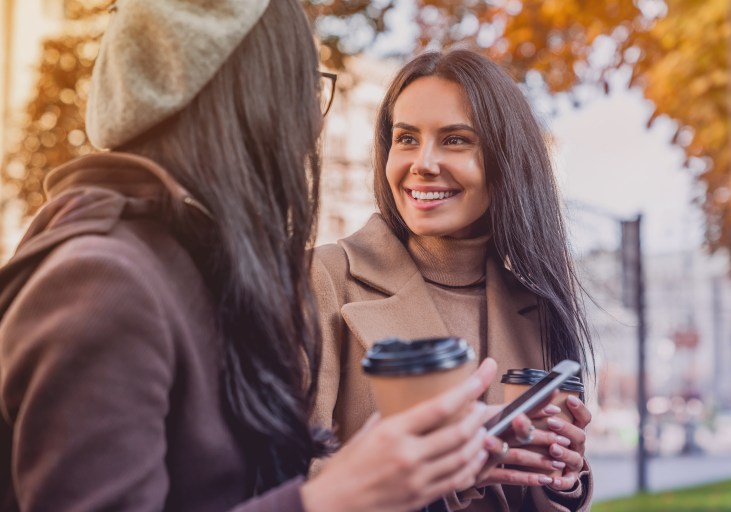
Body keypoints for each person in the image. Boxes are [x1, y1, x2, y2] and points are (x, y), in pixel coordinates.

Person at [0, 3, 517, 511]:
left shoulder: (193, 268)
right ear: (247, 102)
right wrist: (334, 497)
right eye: (302, 84)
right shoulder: (105, 283)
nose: (313, 122)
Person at [311, 49, 595, 511]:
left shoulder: (536, 307)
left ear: (505, 159)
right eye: (406, 138)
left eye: (455, 140)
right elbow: (288, 480)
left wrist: (560, 477)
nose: (422, 162)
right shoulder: (324, 278)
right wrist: (451, 473)